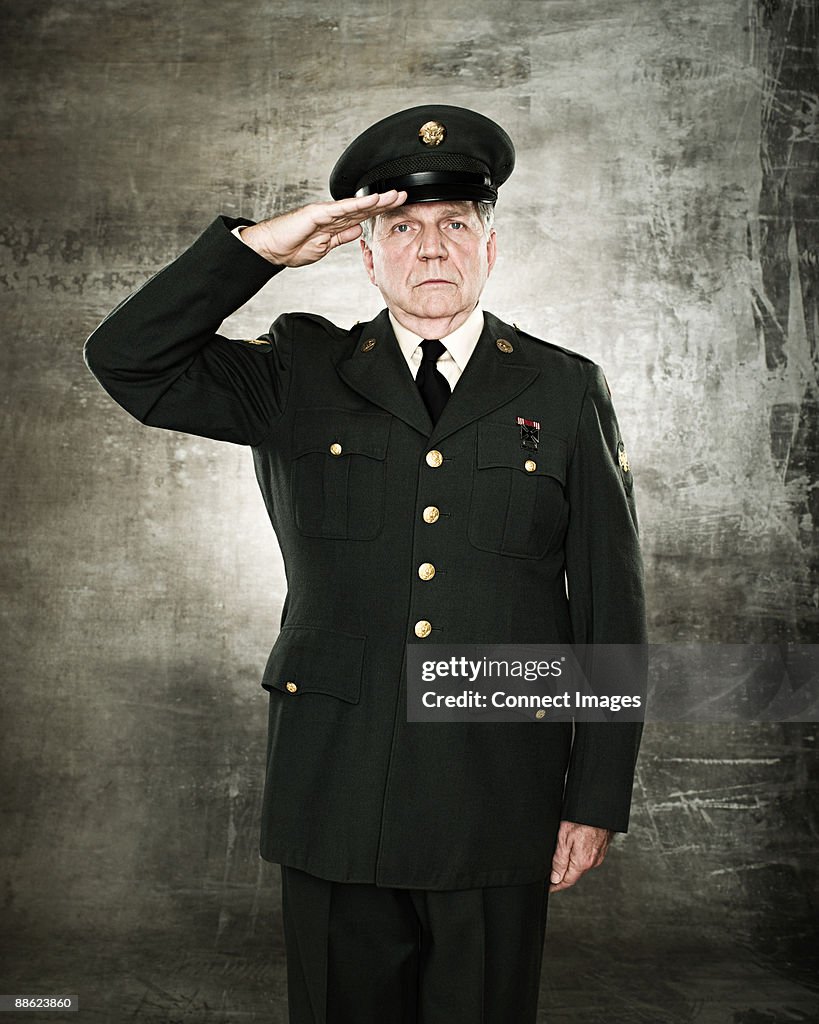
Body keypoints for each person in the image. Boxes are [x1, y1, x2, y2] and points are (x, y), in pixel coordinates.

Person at [84, 104, 646, 1024]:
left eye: (454, 225)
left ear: (489, 250)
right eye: (401, 228)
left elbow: (608, 606)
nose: (431, 250)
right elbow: (127, 360)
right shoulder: (300, 372)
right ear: (365, 253)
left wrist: (595, 797)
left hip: (495, 785)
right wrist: (259, 247)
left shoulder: (560, 385)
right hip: (337, 784)